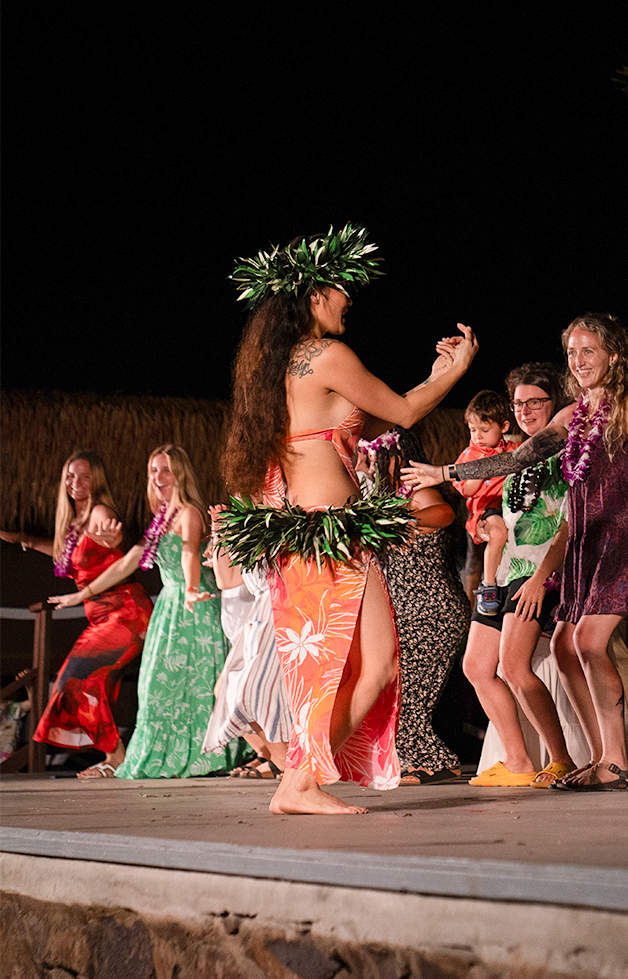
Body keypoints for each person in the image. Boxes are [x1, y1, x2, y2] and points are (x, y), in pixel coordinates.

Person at [219, 224, 476, 814]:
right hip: (328, 537)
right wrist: (454, 370)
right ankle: (301, 783)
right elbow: (405, 411)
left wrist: (434, 377)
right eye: (340, 289)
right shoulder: (327, 355)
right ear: (313, 297)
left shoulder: (280, 365)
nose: (348, 299)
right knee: (367, 666)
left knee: (370, 666)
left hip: (314, 534)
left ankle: (300, 782)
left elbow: (370, 424)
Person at [406, 315, 628, 790]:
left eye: (589, 350)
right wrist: (444, 472)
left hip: (626, 533)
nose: (579, 360)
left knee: (589, 644)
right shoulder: (572, 417)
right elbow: (516, 459)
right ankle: (599, 756)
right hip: (589, 542)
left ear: (614, 354)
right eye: (572, 352)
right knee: (569, 647)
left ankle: (616, 761)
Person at [52, 446, 244, 778]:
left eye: (165, 470)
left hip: (194, 607)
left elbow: (189, 554)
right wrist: (81, 594)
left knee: (196, 689)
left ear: (180, 475)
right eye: (153, 471)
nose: (157, 477)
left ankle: (206, 755)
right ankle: (154, 756)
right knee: (156, 688)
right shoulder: (161, 519)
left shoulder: (189, 514)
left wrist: (191, 586)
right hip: (170, 609)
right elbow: (127, 563)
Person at [457, 363, 576, 788]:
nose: (526, 410)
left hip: (540, 572)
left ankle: (560, 758)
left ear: (554, 403)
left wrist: (542, 577)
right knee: (476, 666)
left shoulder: (567, 451)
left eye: (535, 402)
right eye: (519, 403)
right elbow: (503, 514)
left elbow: (569, 522)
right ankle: (519, 760)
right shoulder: (514, 457)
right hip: (507, 571)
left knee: (514, 665)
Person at [4, 452, 151, 778]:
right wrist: (24, 540)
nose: (76, 483)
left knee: (75, 676)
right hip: (102, 618)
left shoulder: (99, 512)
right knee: (76, 683)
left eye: (84, 476)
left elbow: (113, 539)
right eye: (70, 476)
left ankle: (115, 757)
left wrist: (113, 539)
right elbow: (66, 555)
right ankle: (115, 757)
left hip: (126, 612)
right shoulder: (72, 525)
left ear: (96, 480)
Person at [371, 427, 473, 784]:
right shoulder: (383, 501)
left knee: (411, 692)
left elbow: (444, 514)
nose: (368, 462)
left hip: (431, 609)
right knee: (399, 690)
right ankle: (417, 760)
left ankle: (432, 763)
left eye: (374, 455)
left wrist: (400, 521)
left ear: (396, 459)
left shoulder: (418, 492)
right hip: (408, 609)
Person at [203, 521, 289, 779]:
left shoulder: (270, 527)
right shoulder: (244, 532)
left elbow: (225, 579)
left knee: (243, 692)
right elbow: (224, 578)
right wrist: (220, 536)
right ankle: (278, 759)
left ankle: (282, 761)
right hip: (255, 620)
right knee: (232, 692)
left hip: (276, 615)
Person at [452, 390, 521, 616]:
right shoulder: (471, 454)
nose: (478, 436)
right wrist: (483, 468)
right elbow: (468, 490)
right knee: (498, 533)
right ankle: (488, 585)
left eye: (484, 429)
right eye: (473, 430)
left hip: (515, 504)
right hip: (489, 507)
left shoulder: (511, 449)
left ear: (503, 427)